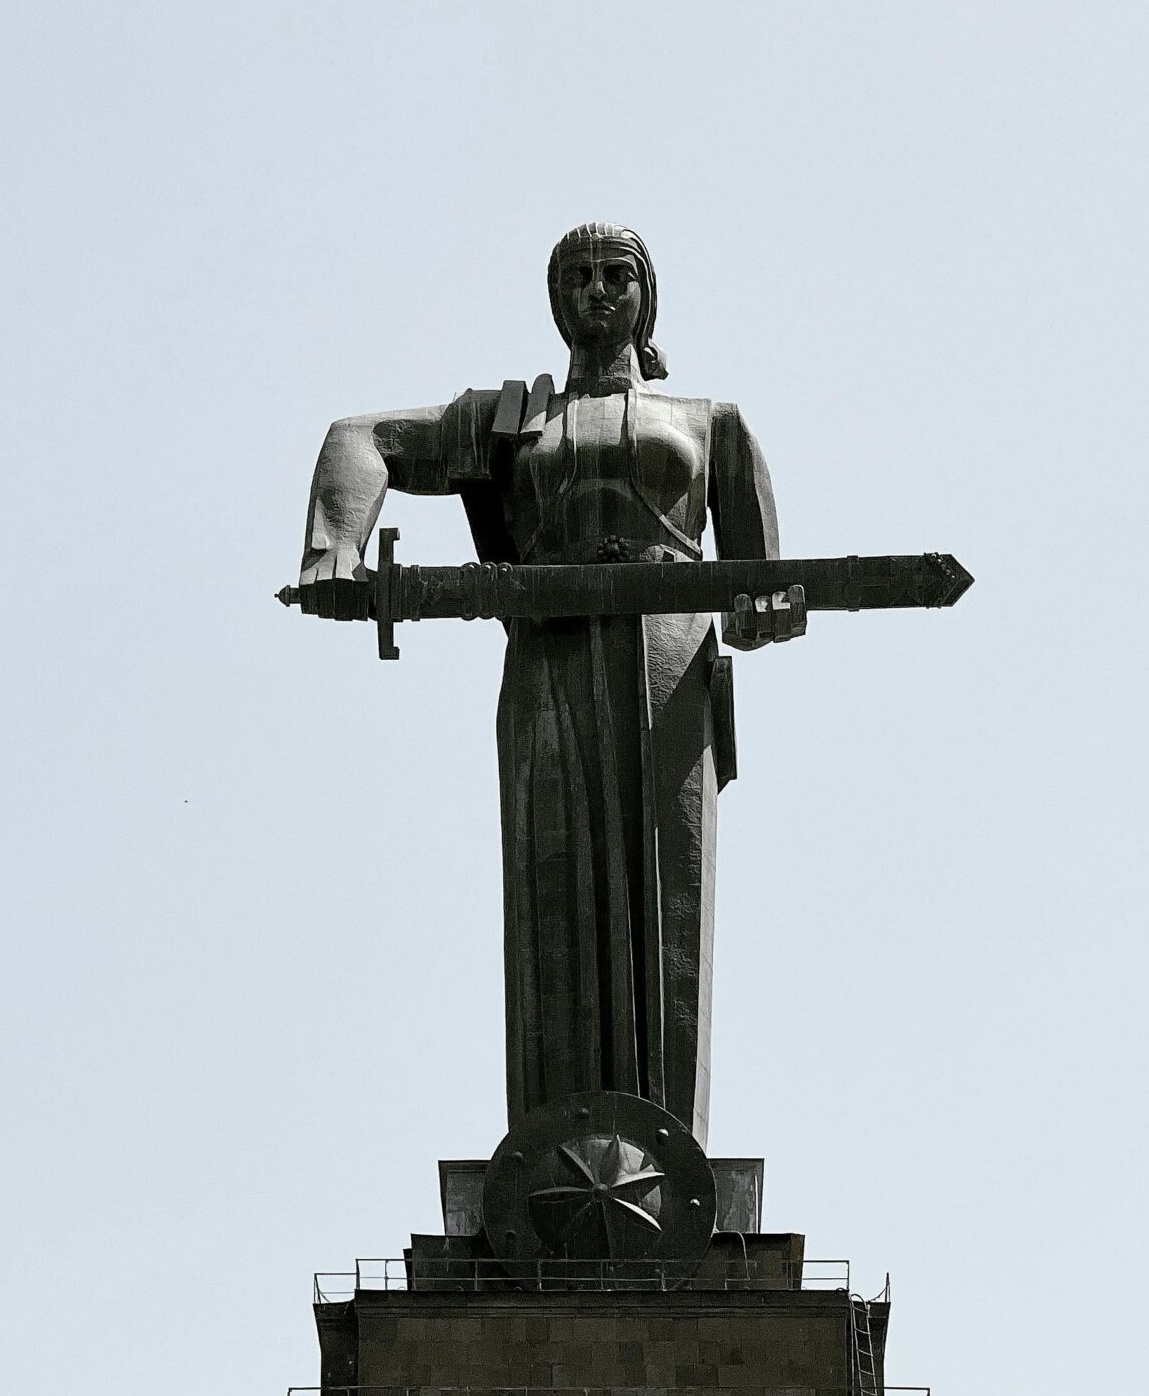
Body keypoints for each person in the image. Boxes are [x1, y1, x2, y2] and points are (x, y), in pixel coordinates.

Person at [295, 223, 804, 1142]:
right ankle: (546, 1146)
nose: (597, 291)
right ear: (554, 300)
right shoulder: (511, 420)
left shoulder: (709, 421)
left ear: (648, 297)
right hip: (549, 663)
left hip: (668, 663)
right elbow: (358, 436)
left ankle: (666, 1150)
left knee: (667, 890)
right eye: (577, 278)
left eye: (617, 276)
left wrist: (766, 612)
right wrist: (336, 549)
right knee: (551, 887)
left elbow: (763, 581)